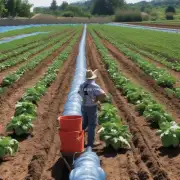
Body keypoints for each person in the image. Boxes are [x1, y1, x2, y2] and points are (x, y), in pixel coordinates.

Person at [78, 69, 107, 147]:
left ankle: (79, 140)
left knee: (84, 124)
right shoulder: (94, 86)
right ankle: (90, 143)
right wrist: (97, 100)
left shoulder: (82, 85)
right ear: (93, 78)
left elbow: (79, 92)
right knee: (92, 125)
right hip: (91, 107)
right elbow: (103, 94)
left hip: (83, 106)